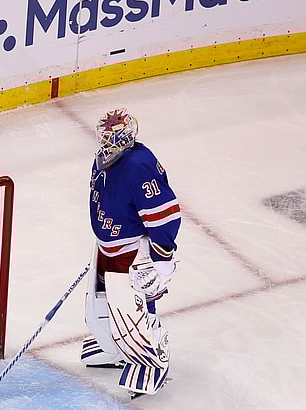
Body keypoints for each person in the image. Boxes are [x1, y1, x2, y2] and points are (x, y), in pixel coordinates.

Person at [82, 108, 179, 397]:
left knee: (133, 305)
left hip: (130, 251)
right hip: (106, 247)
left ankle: (152, 359)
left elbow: (164, 214)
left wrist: (162, 258)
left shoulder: (139, 165)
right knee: (99, 303)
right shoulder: (102, 160)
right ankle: (112, 346)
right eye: (104, 139)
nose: (106, 145)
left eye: (111, 140)